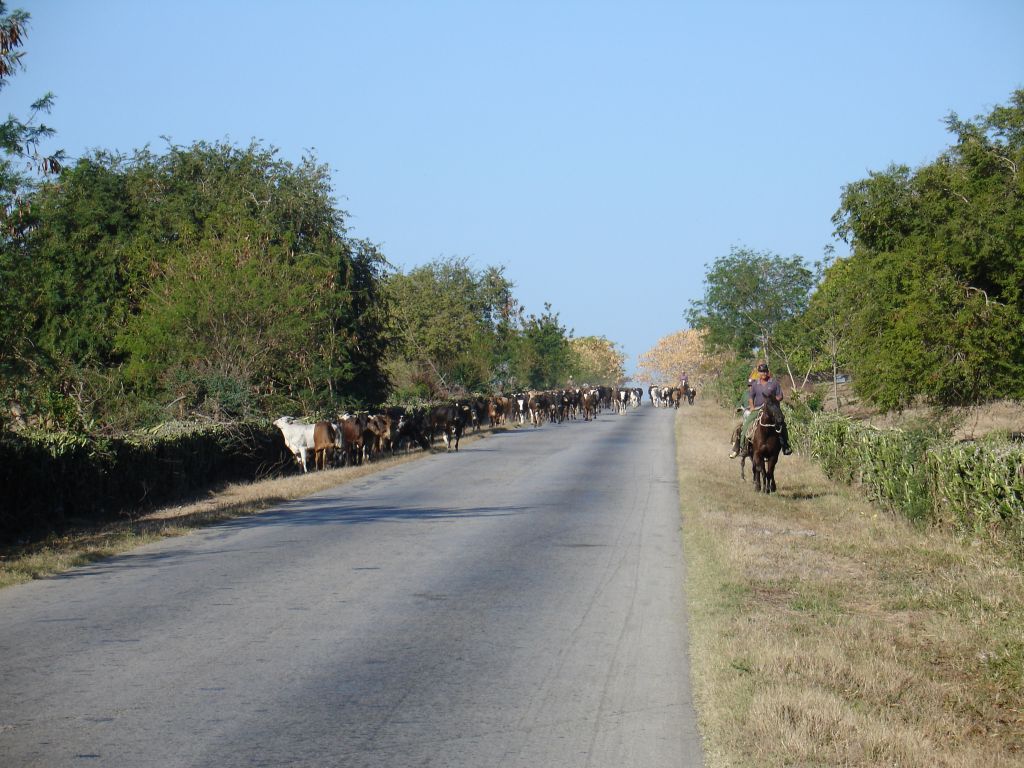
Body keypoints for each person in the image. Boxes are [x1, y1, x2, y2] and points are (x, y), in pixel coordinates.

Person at [729, 362, 792, 457]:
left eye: (765, 371)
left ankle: (785, 446)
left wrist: (774, 400)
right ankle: (743, 447)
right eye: (762, 372)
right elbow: (751, 397)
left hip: (772, 408)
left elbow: (780, 396)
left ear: (768, 372)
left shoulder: (774, 383)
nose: (764, 373)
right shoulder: (755, 384)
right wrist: (752, 407)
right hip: (758, 408)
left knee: (781, 422)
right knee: (746, 424)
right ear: (759, 373)